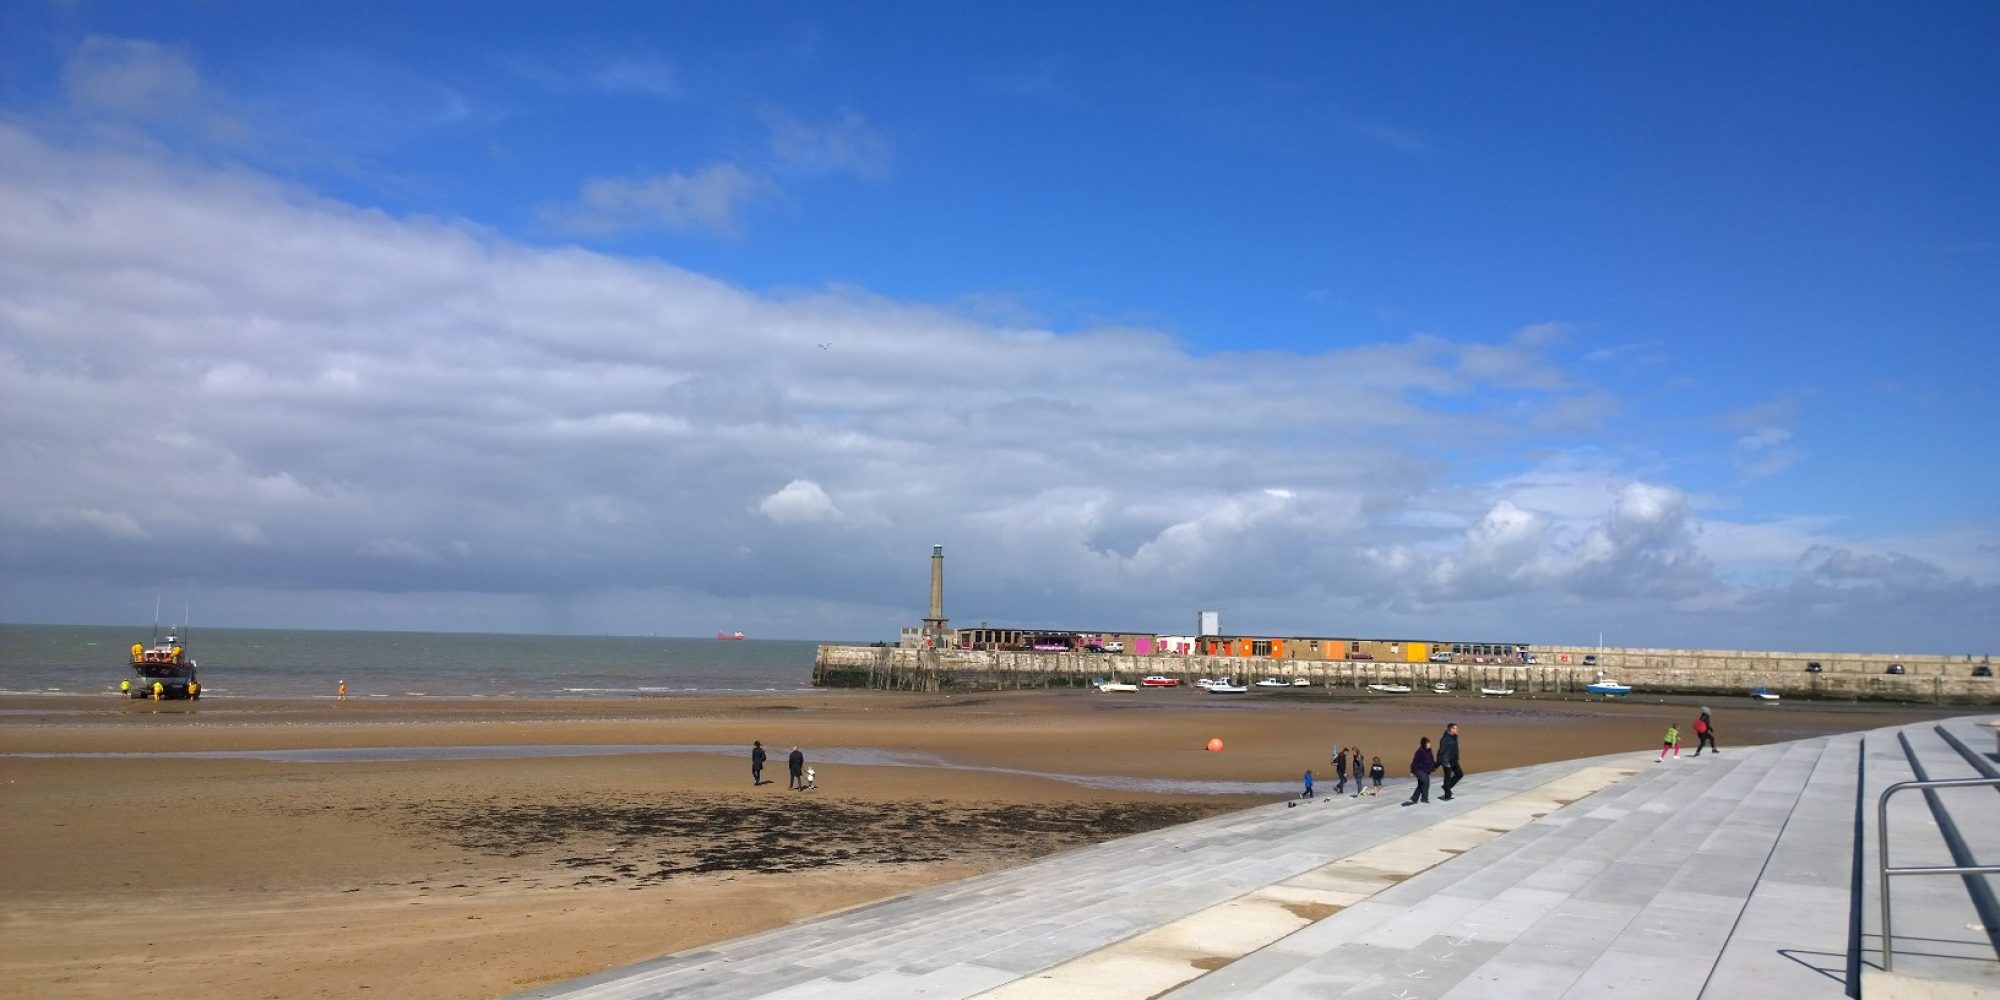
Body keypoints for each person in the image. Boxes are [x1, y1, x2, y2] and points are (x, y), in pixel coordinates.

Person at [1404, 736, 1436, 806]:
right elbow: (1415, 762)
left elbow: (1431, 761)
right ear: (1424, 744)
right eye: (1428, 743)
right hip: (1418, 770)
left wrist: (1433, 767)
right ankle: (1424, 799)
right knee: (1426, 781)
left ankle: (1414, 798)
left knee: (1421, 784)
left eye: (1429, 743)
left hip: (1425, 770)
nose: (1429, 744)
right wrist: (1412, 771)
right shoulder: (1420, 752)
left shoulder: (1429, 751)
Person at [1438, 723, 1464, 800]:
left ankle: (1446, 787)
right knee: (1447, 778)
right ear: (1451, 729)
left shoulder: (1454, 737)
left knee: (1459, 774)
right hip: (1447, 762)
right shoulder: (1445, 739)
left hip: (1454, 760)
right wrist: (1445, 762)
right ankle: (1447, 796)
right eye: (1455, 728)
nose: (1457, 730)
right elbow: (1442, 751)